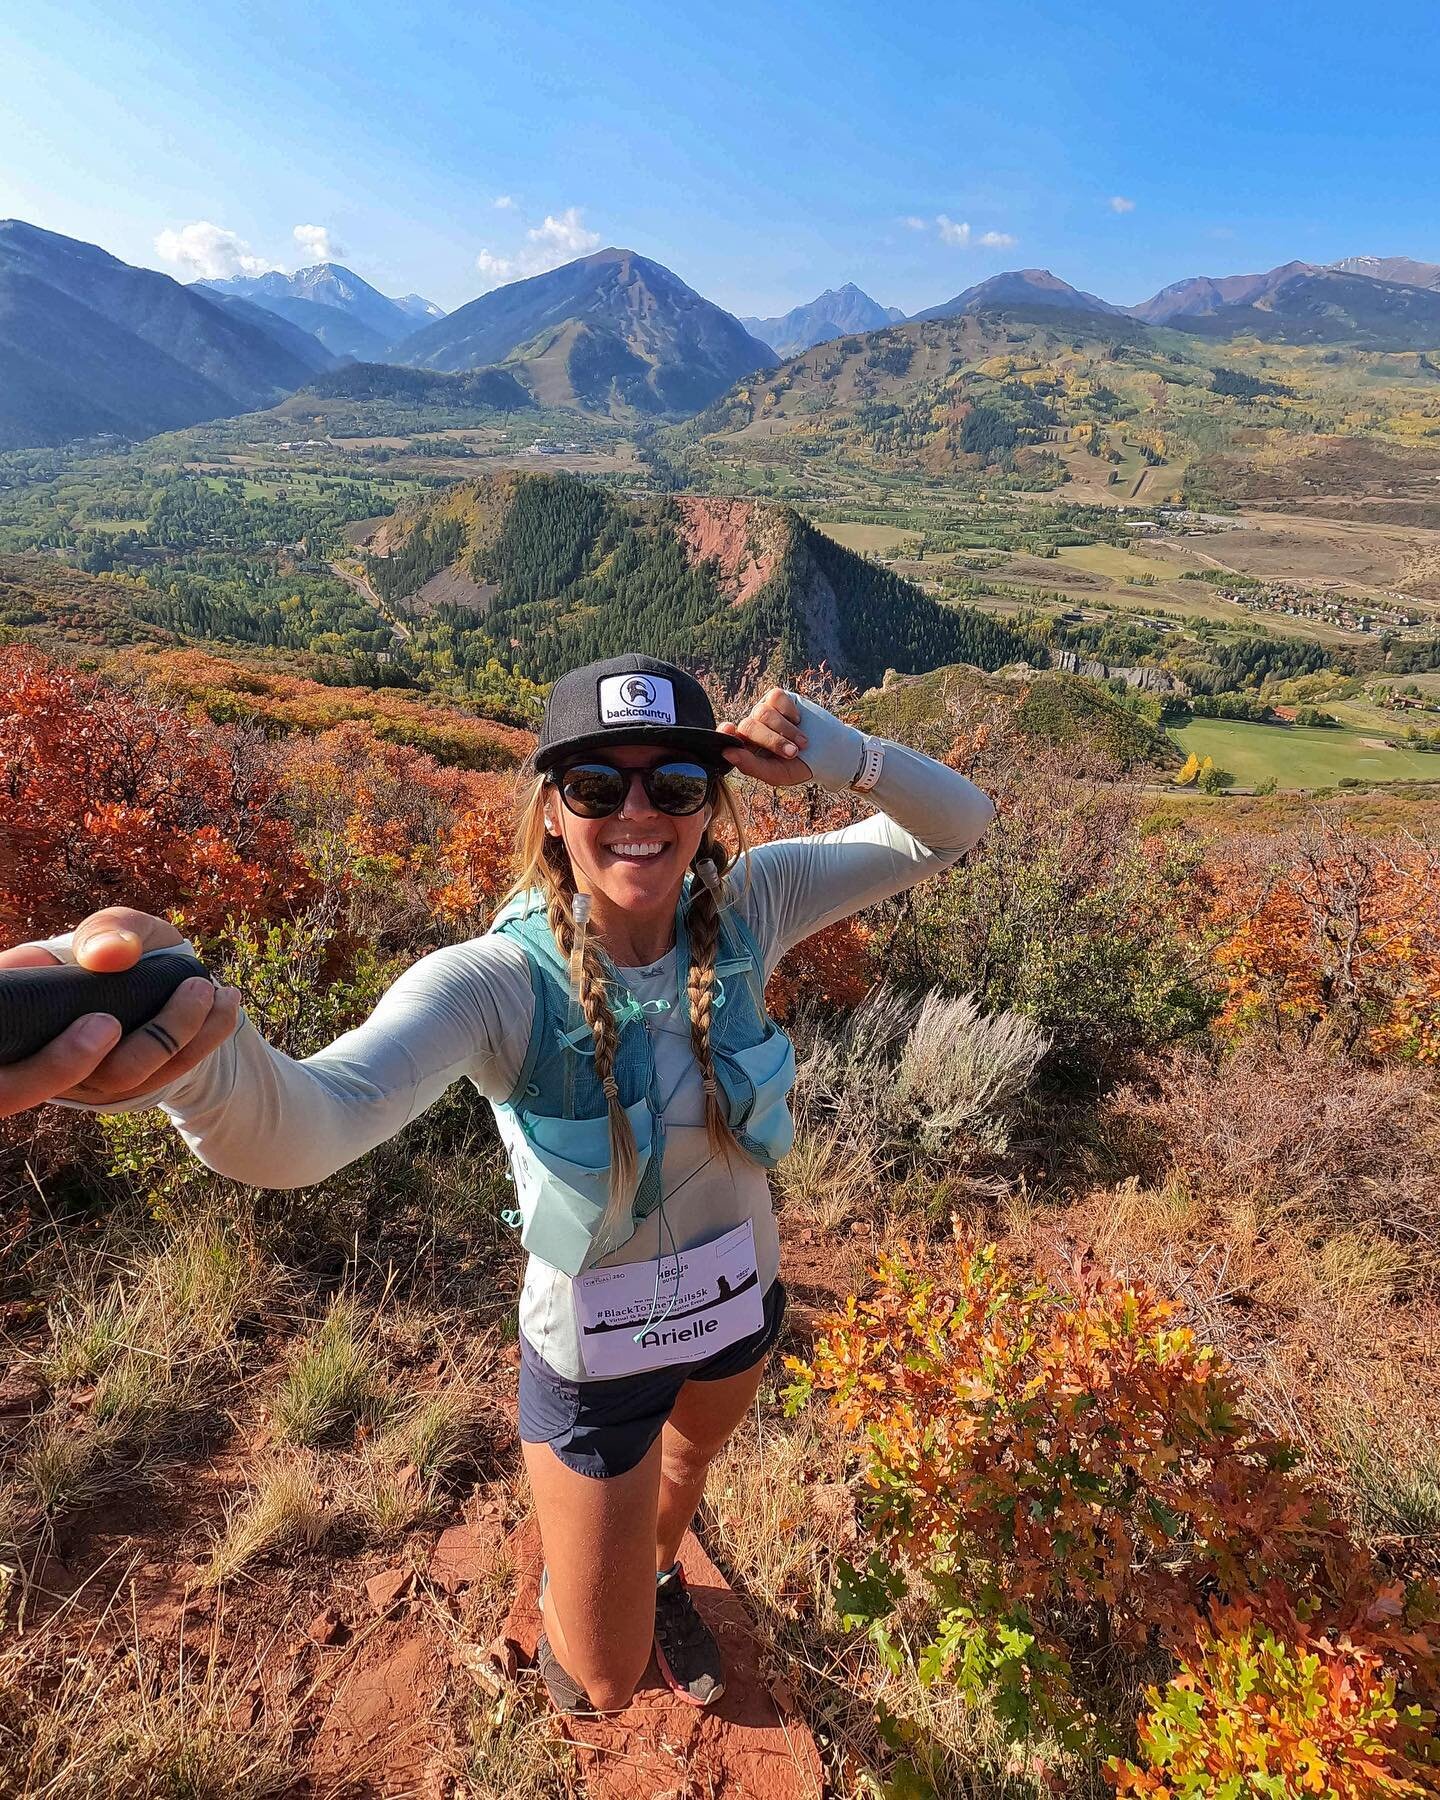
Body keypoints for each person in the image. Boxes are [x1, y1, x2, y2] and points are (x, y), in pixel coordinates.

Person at [0, 654, 995, 1714]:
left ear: (714, 801)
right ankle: (580, 1595)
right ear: (553, 810)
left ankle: (651, 1570)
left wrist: (840, 753)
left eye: (677, 783)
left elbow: (958, 826)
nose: (638, 812)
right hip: (594, 1368)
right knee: (604, 1682)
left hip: (735, 1317)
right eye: (597, 786)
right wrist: (196, 1058)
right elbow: (305, 1127)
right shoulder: (496, 982)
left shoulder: (755, 906)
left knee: (685, 1471)